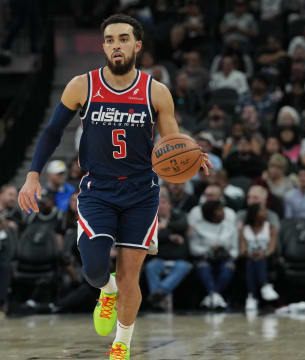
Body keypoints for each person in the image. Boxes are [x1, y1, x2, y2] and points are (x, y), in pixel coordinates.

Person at [18, 14, 211, 359]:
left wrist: (192, 156)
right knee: (94, 268)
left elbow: (172, 139)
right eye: (109, 39)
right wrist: (33, 174)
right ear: (104, 45)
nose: (115, 45)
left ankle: (121, 345)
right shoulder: (82, 85)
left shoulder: (156, 91)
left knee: (129, 275)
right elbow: (51, 132)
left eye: (123, 39)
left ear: (136, 45)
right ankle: (105, 292)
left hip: (141, 192)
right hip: (98, 190)